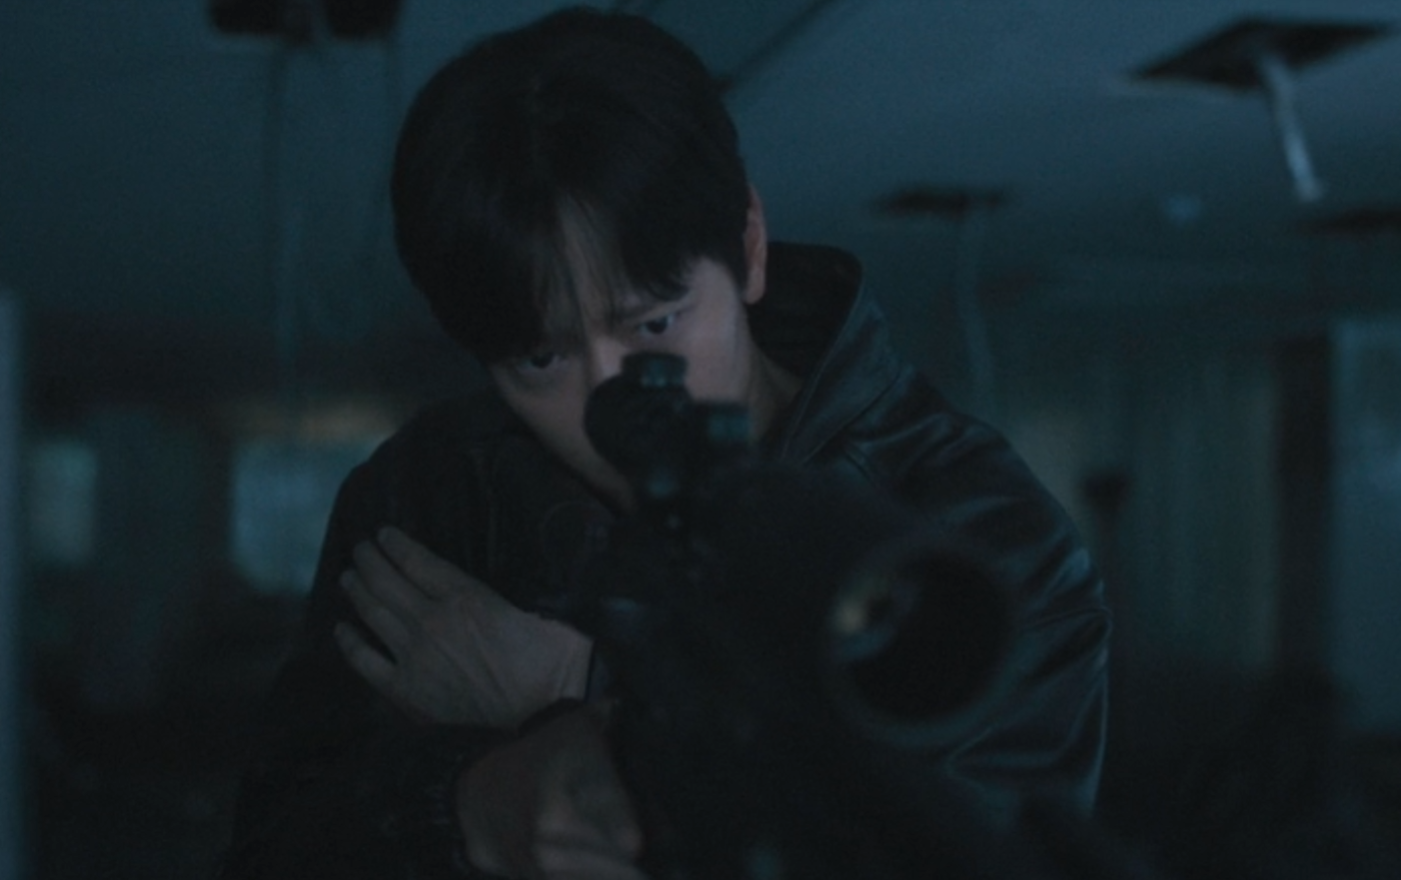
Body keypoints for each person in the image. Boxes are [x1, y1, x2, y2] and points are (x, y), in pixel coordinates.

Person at [220, 6, 1110, 879]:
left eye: (654, 323)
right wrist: (479, 805)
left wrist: (581, 696)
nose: (609, 392)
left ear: (747, 246)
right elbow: (274, 847)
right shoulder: (434, 493)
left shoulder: (979, 537)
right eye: (542, 359)